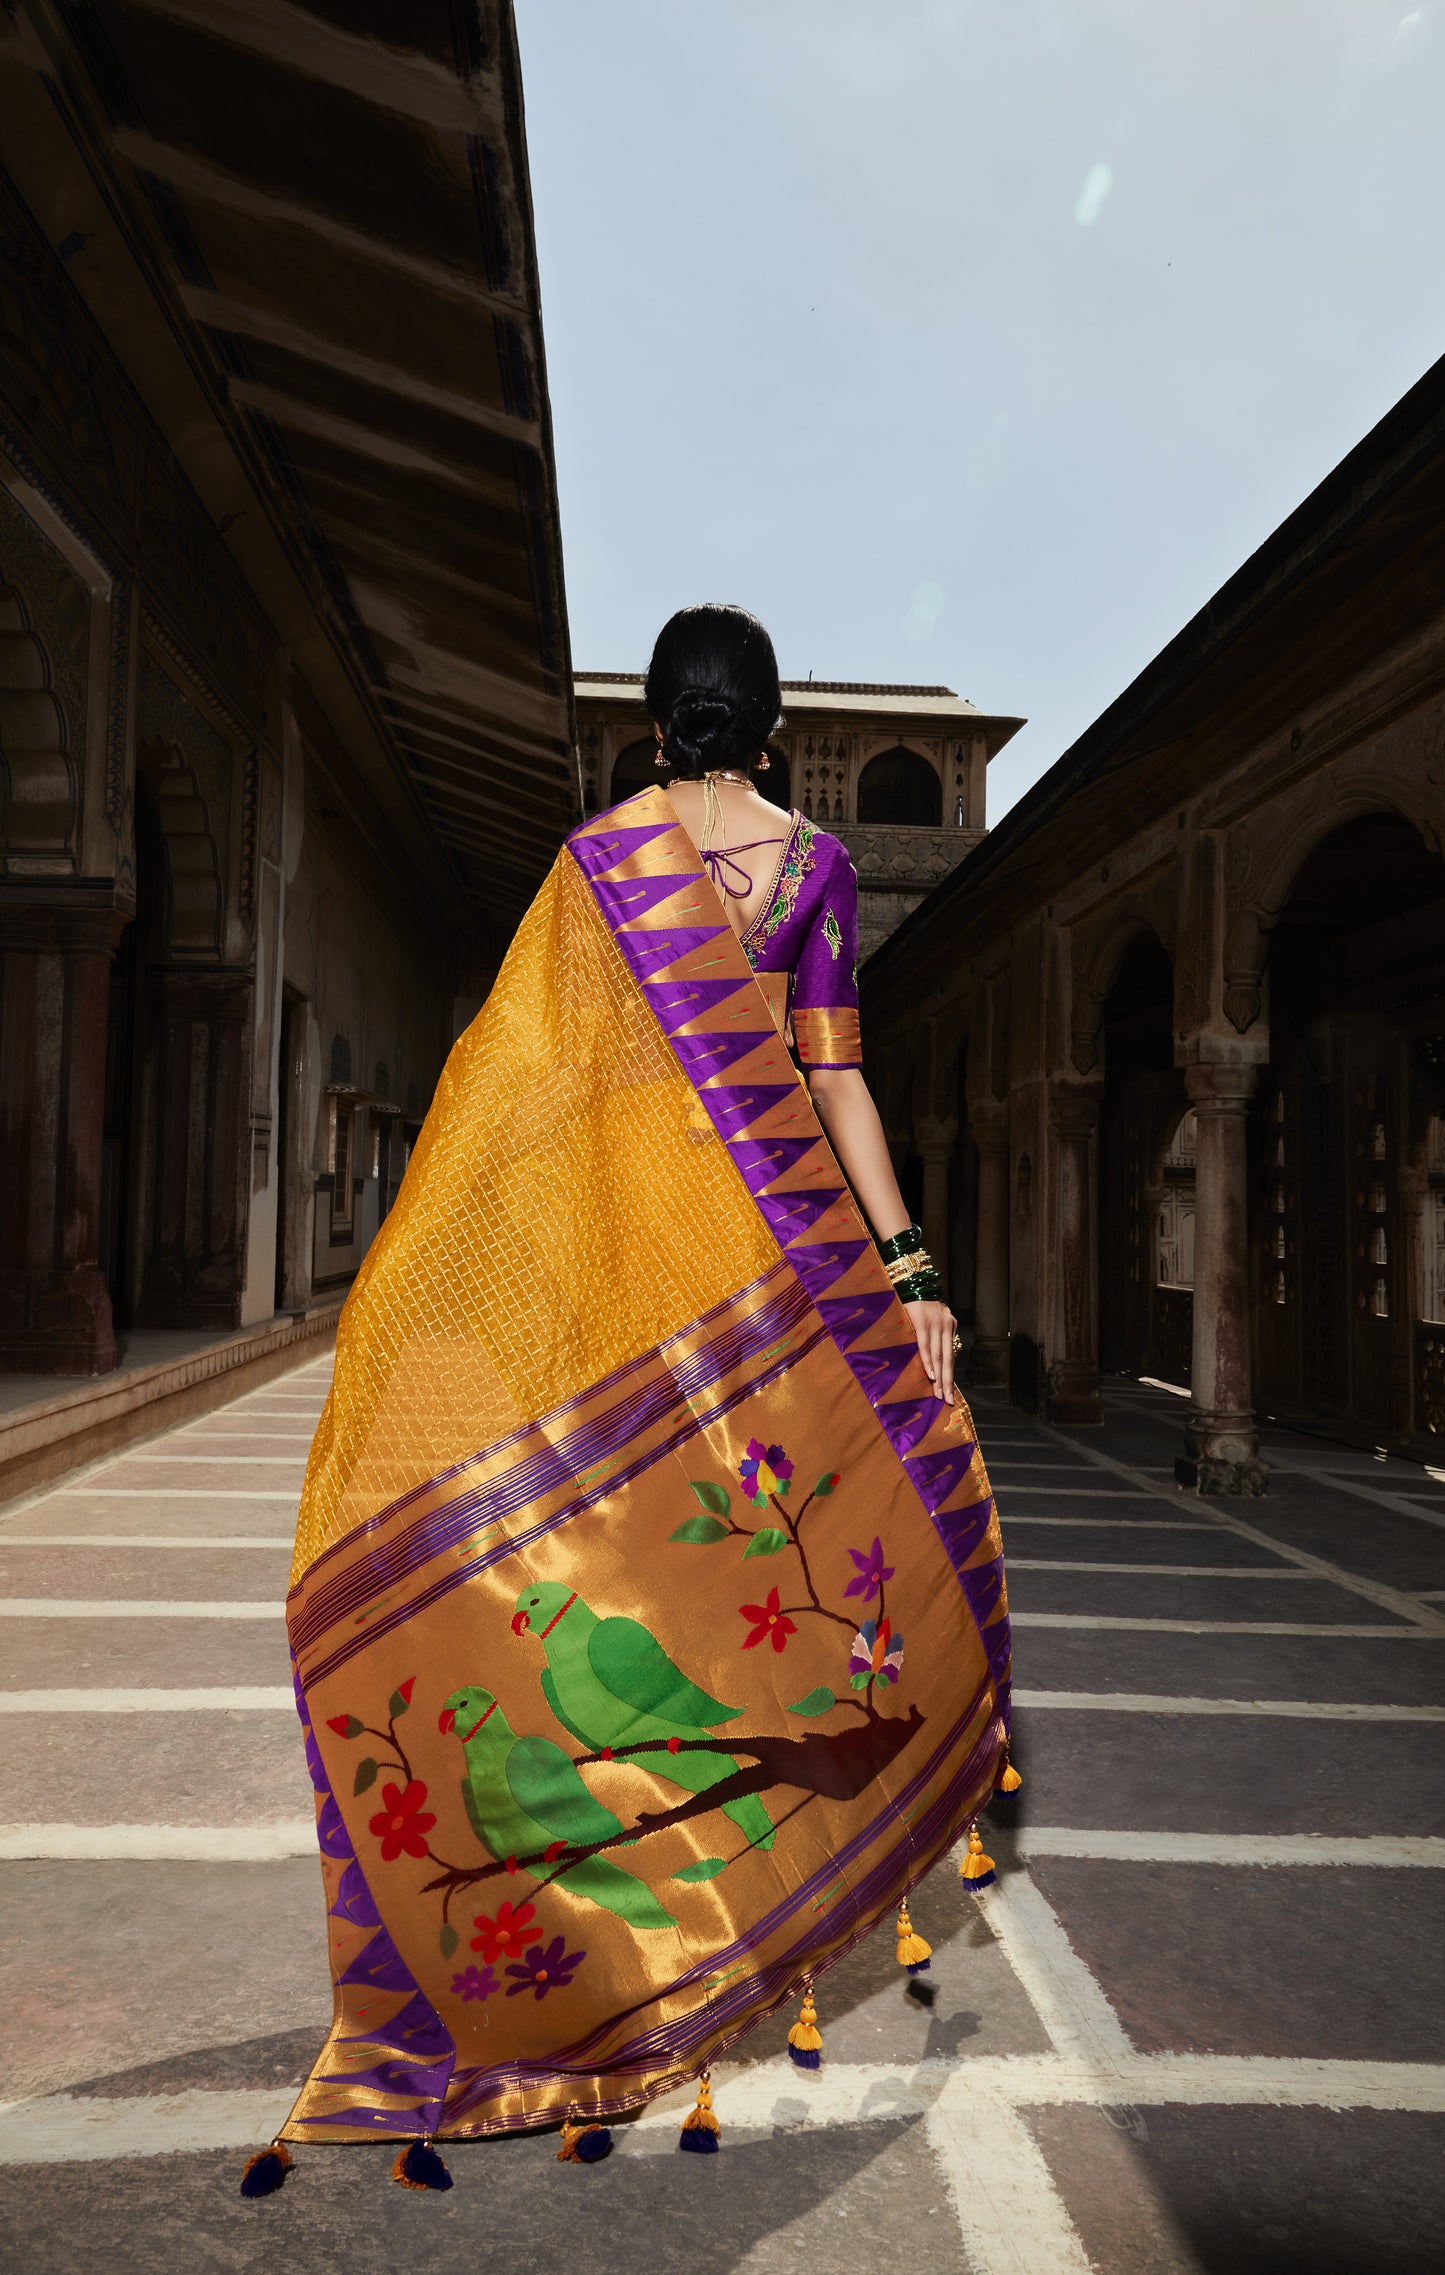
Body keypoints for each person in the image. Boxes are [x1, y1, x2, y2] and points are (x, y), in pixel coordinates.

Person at [260, 603, 1010, 2187]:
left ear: (657, 719)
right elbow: (833, 1073)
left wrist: (451, 1278)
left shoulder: (597, 863)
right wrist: (914, 1273)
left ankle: (584, 1942)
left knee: (591, 1576)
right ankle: (713, 1925)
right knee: (744, 1587)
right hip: (766, 1281)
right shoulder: (809, 869)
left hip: (617, 1280)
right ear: (772, 728)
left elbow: (527, 1090)